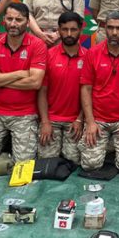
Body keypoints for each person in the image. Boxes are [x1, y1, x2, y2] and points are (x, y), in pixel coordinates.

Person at [0, 3, 47, 166]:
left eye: (18, 20)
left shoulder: (37, 45)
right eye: (10, 19)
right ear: (4, 21)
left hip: (25, 114)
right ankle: (7, 161)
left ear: (27, 23)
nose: (13, 23)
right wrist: (20, 74)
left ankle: (12, 159)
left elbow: (35, 82)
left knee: (24, 163)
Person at [79, 11, 119, 172]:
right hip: (98, 119)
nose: (114, 32)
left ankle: (118, 150)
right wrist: (90, 122)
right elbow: (86, 89)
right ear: (104, 28)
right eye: (110, 28)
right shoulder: (92, 53)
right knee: (89, 166)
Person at [37, 11, 87, 163]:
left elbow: (91, 94)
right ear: (58, 31)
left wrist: (80, 120)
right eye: (64, 30)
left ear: (81, 30)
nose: (69, 34)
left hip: (75, 122)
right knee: (46, 160)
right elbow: (42, 92)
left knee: (73, 160)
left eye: (73, 29)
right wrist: (45, 122)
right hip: (51, 120)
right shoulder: (48, 55)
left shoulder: (89, 57)